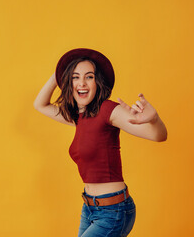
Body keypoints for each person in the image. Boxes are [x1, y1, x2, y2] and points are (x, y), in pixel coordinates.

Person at [34, 48, 167, 237]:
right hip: (89, 209)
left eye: (89, 77)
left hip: (113, 211)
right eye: (75, 77)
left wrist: (154, 119)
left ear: (97, 83)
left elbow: (158, 135)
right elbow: (40, 104)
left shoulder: (108, 110)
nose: (82, 82)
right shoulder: (79, 117)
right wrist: (59, 72)